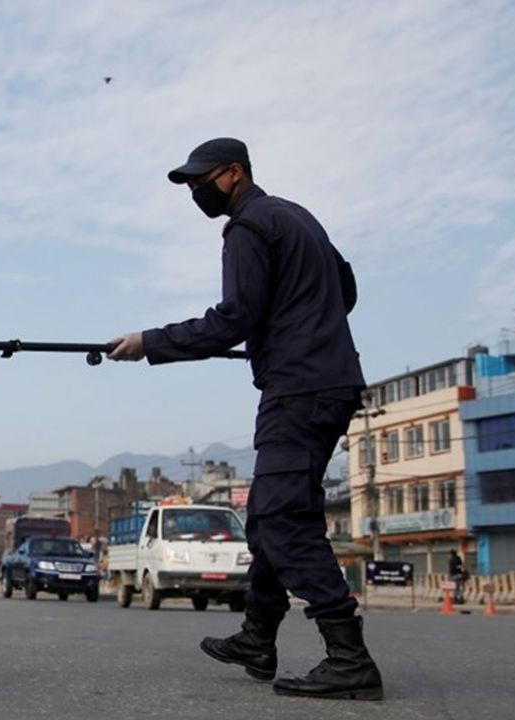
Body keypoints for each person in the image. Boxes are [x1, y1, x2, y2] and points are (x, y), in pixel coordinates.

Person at [108, 138, 383, 701]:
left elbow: (232, 319)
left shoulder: (247, 227)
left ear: (235, 173)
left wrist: (148, 343)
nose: (194, 191)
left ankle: (349, 657)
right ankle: (258, 636)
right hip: (327, 380)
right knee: (265, 515)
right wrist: (297, 322)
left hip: (298, 390)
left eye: (200, 180)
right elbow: (345, 290)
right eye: (188, 184)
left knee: (284, 520)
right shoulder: (297, 216)